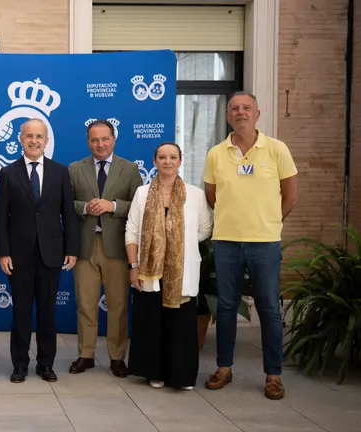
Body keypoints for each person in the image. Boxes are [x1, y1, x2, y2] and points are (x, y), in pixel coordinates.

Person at [203, 91, 298, 400]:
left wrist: (270, 222)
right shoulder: (216, 153)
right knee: (227, 307)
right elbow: (211, 195)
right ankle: (224, 368)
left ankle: (273, 375)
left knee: (270, 309)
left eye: (246, 107)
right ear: (228, 115)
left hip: (265, 243)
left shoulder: (276, 149)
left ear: (258, 112)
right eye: (235, 108)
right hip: (227, 242)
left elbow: (291, 195)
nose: (240, 112)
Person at [0, 119, 79, 383]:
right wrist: (3, 253)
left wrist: (72, 249)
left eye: (39, 136)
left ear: (46, 140)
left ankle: (46, 364)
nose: (34, 141)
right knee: (20, 313)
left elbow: (69, 214)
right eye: (29, 136)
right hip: (18, 256)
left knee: (47, 313)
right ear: (20, 139)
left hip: (51, 254)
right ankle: (19, 365)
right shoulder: (8, 174)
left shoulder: (60, 172)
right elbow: (1, 219)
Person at [125, 142, 212, 390]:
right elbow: (131, 230)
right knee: (153, 322)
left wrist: (179, 244)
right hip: (149, 269)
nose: (167, 161)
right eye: (162, 157)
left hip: (181, 270)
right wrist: (133, 265)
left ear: (180, 161)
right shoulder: (142, 193)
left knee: (181, 324)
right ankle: (155, 372)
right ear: (155, 162)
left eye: (173, 157)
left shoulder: (195, 194)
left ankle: (181, 376)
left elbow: (205, 229)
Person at [68, 120, 143, 377]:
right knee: (85, 304)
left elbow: (139, 205)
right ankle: (85, 354)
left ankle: (117, 357)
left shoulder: (130, 169)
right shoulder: (75, 168)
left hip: (119, 248)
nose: (100, 144)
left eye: (104, 139)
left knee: (119, 306)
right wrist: (85, 207)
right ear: (88, 142)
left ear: (114, 139)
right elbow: (67, 204)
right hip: (86, 247)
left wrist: (112, 206)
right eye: (94, 140)